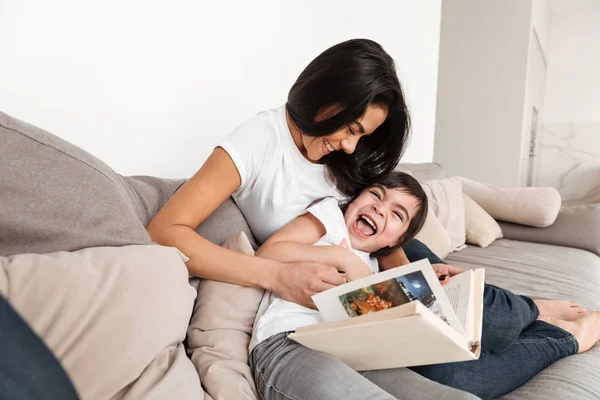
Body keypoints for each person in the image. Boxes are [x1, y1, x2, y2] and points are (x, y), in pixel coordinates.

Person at [147, 38, 597, 399]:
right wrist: (279, 276)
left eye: (361, 136)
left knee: (472, 314)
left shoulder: (350, 158)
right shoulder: (257, 142)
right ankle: (553, 327)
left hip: (383, 250)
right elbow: (166, 230)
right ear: (325, 98)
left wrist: (398, 276)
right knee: (457, 374)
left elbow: (391, 213)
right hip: (333, 269)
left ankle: (537, 308)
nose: (349, 147)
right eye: (350, 129)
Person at [250, 172, 600, 400]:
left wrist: (426, 289)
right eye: (375, 195)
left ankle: (545, 324)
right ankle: (557, 330)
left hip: (361, 346)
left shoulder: (381, 260)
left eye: (396, 214)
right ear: (353, 200)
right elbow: (269, 252)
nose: (379, 208)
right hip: (292, 341)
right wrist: (344, 261)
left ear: (398, 240)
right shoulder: (328, 218)